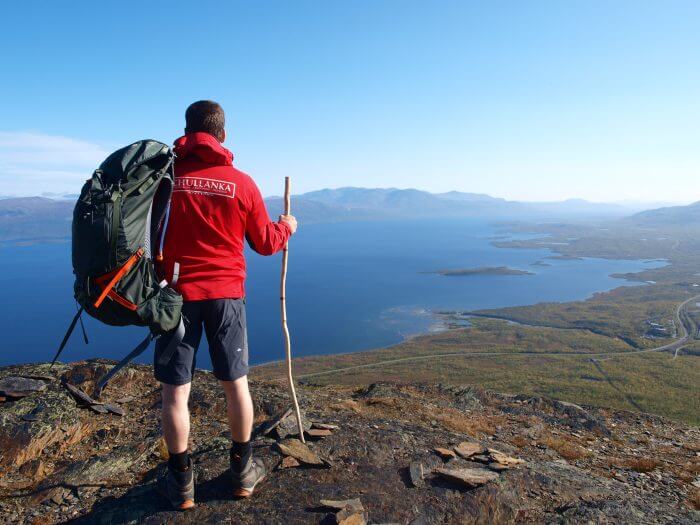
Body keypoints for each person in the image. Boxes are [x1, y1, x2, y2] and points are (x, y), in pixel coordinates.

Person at [155, 100, 297, 510]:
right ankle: (242, 474)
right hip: (226, 296)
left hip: (174, 297)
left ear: (186, 130)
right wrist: (286, 226)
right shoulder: (241, 183)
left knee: (174, 393)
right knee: (236, 384)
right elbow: (266, 243)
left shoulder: (167, 179)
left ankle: (181, 484)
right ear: (223, 134)